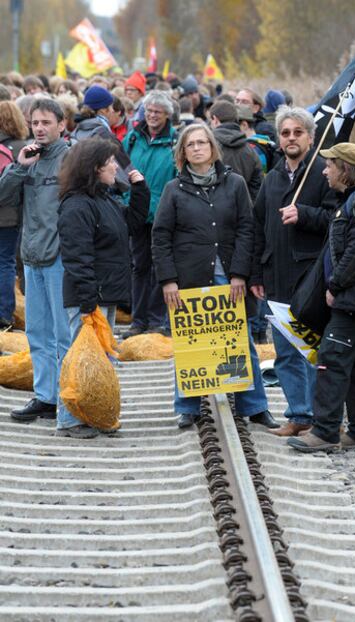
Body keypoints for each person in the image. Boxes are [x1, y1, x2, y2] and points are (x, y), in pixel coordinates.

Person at [152, 123, 278, 431]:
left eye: (201, 143)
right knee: (190, 343)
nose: (196, 148)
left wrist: (240, 273)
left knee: (240, 340)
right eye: (190, 144)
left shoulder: (233, 184)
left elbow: (247, 228)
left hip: (229, 278)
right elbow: (160, 236)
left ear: (212, 148)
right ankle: (187, 407)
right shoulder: (174, 189)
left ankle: (254, 406)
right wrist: (168, 280)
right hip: (189, 279)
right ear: (182, 153)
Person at [288, 143, 355, 453]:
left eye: (330, 165)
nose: (324, 170)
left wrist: (335, 286)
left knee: (332, 359)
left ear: (345, 169)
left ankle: (324, 431)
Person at [250, 106, 336, 437]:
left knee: (314, 351)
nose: (290, 138)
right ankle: (298, 413)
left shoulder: (324, 174)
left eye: (297, 132)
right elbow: (258, 227)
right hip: (276, 278)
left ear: (310, 137)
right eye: (285, 133)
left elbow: (336, 220)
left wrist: (305, 215)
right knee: (285, 353)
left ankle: (321, 417)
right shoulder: (272, 179)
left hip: (311, 279)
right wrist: (257, 273)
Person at [57, 138, 150, 437]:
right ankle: (69, 420)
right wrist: (86, 302)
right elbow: (76, 256)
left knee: (99, 362)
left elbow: (130, 225)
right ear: (95, 167)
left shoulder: (104, 199)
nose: (116, 167)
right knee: (78, 358)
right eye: (111, 162)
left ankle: (94, 414)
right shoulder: (77, 206)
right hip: (89, 297)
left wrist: (139, 192)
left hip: (103, 294)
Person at [0, 99, 71, 427]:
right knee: (38, 332)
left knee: (62, 334)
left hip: (59, 257)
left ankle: (68, 397)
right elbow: (3, 197)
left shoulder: (70, 158)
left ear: (61, 123)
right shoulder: (27, 157)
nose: (40, 128)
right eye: (35, 123)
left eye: (46, 122)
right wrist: (19, 166)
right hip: (31, 255)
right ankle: (45, 396)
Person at [122, 90, 177, 338]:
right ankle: (138, 320)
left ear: (167, 114)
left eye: (157, 111)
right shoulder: (133, 139)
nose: (152, 115)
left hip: (163, 215)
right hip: (136, 213)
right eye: (149, 111)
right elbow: (120, 169)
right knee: (138, 266)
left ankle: (156, 321)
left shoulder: (176, 141)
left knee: (160, 268)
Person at [0, 101, 29, 329]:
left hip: (6, 211)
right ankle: (5, 312)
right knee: (7, 262)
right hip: (13, 214)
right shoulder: (24, 146)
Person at [210, 100, 263, 202]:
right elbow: (257, 187)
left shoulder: (208, 147)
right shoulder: (251, 150)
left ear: (215, 119)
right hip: (244, 211)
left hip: (214, 212)